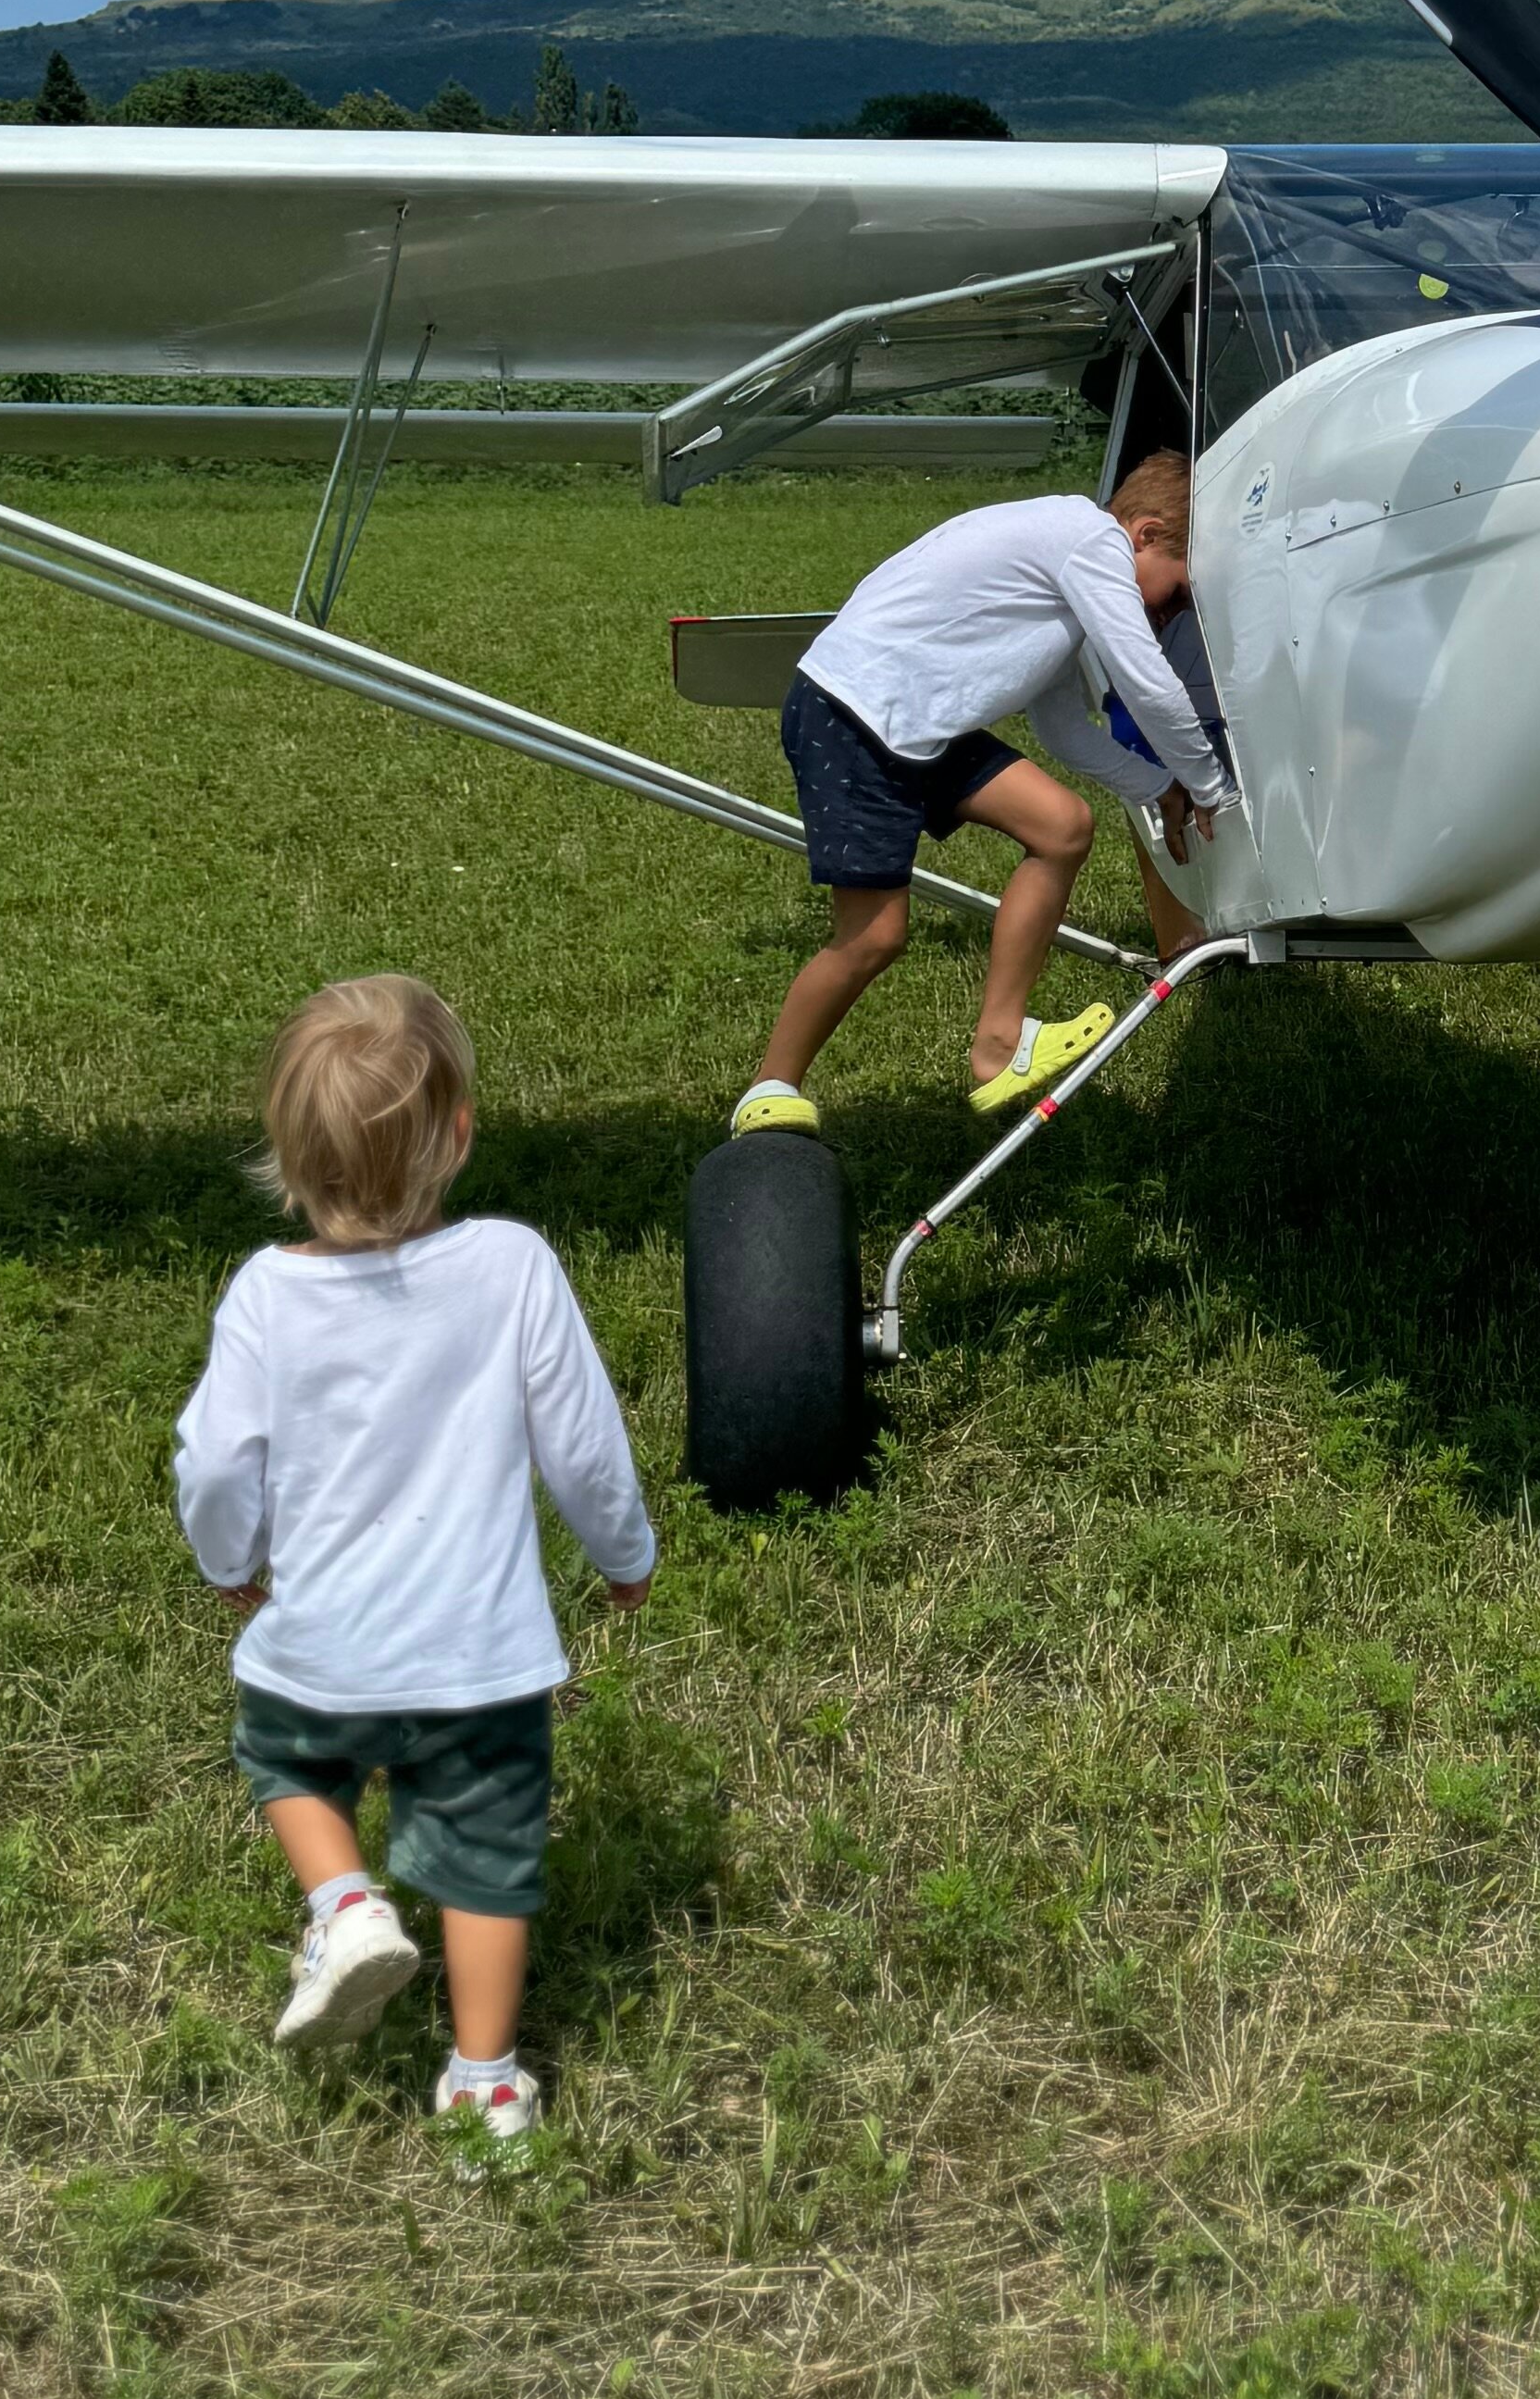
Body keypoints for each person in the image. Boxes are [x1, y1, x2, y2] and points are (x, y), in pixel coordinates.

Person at [173, 973, 656, 2149]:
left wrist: (229, 1558)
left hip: (319, 1648)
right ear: (460, 1132)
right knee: (490, 1864)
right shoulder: (512, 1266)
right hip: (480, 1661)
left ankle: (342, 1904)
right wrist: (624, 1552)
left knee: (284, 1758)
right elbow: (582, 1440)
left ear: (286, 1156)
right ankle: (486, 2081)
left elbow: (217, 1465)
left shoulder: (264, 1298)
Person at [733, 449, 1230, 1136]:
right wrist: (1212, 790)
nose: (1173, 615)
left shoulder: (1067, 578)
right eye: (1176, 592)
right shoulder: (1089, 543)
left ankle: (1000, 1047)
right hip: (854, 713)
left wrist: (1162, 786)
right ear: (1144, 534)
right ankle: (768, 1088)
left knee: (1061, 825)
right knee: (873, 937)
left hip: (918, 719)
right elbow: (1149, 685)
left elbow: (1063, 730)